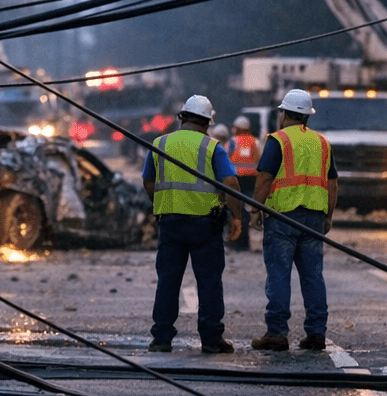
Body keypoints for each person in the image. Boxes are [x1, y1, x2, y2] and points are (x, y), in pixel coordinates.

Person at [143, 95, 244, 354]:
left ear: (182, 118)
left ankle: (162, 338)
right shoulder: (212, 147)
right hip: (205, 226)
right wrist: (236, 217)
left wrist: (164, 201)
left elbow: (148, 181)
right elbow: (231, 183)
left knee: (168, 281)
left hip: (170, 224)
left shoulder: (160, 143)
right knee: (209, 283)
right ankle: (211, 339)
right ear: (207, 122)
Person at [251, 89, 339, 353]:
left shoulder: (278, 140)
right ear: (307, 116)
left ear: (284, 113)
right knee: (313, 276)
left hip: (282, 217)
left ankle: (277, 333)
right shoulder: (322, 143)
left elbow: (265, 177)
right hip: (313, 216)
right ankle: (316, 334)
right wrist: (329, 215)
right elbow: (332, 182)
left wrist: (256, 210)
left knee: (279, 274)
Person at [226, 115, 262, 251]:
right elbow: (260, 162)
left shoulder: (232, 141)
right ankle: (245, 243)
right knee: (247, 210)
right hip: (251, 180)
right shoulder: (255, 142)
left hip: (235, 180)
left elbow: (225, 159)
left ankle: (235, 241)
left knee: (235, 209)